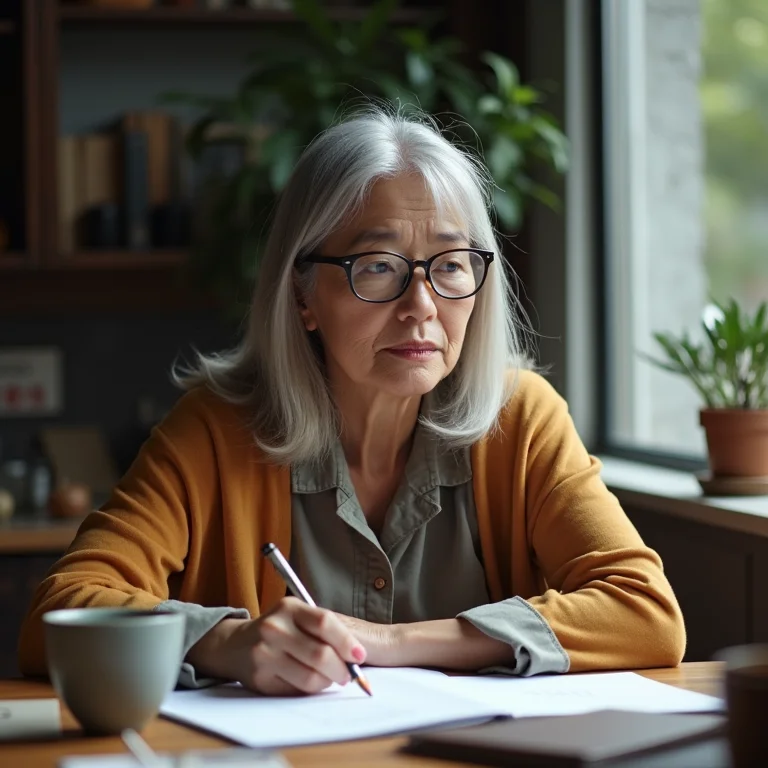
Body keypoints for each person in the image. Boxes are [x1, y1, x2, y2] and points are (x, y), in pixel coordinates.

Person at [18, 109, 685, 695]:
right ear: (303, 295)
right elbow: (62, 613)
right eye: (378, 268)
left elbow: (647, 614)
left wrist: (392, 643)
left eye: (451, 265)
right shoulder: (217, 430)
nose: (421, 307)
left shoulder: (522, 418)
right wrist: (224, 645)